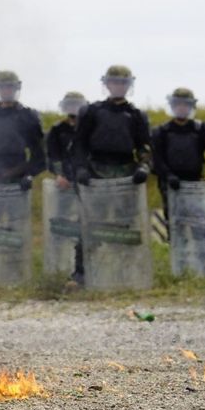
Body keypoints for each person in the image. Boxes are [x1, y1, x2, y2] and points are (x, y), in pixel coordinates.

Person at [70, 65, 152, 285]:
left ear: (129, 85)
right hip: (96, 173)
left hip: (126, 175)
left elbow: (144, 147)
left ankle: (126, 272)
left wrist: (144, 167)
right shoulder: (91, 112)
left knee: (126, 225)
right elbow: (79, 145)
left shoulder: (136, 115)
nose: (118, 86)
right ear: (106, 84)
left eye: (123, 82)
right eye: (114, 82)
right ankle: (81, 274)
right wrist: (80, 168)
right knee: (89, 223)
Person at [151, 88, 205, 221]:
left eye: (185, 104)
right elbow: (156, 159)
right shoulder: (161, 132)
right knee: (174, 222)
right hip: (170, 185)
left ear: (192, 106)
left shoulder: (203, 130)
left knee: (200, 222)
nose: (181, 108)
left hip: (195, 183)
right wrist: (168, 175)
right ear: (172, 106)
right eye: (178, 104)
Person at [46, 92, 87, 189]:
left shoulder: (89, 127)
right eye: (70, 104)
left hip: (87, 178)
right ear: (65, 106)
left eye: (77, 104)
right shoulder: (57, 128)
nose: (74, 108)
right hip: (65, 180)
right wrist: (59, 175)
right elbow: (53, 155)